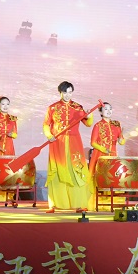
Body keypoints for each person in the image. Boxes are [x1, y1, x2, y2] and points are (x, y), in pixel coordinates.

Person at [43, 81, 94, 212]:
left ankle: (78, 204)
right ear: (60, 92)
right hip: (57, 143)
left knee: (75, 171)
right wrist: (49, 135)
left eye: (70, 92)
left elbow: (88, 123)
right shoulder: (52, 108)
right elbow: (46, 124)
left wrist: (89, 116)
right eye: (65, 92)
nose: (67, 95)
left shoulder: (77, 107)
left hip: (74, 143)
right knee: (57, 171)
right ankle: (54, 204)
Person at [89, 102, 126, 207]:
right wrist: (103, 149)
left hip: (113, 155)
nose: (108, 111)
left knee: (112, 178)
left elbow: (122, 140)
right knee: (101, 178)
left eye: (110, 109)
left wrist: (121, 140)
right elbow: (93, 143)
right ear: (101, 112)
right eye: (105, 109)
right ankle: (100, 203)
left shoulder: (116, 124)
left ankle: (112, 202)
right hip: (100, 155)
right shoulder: (98, 125)